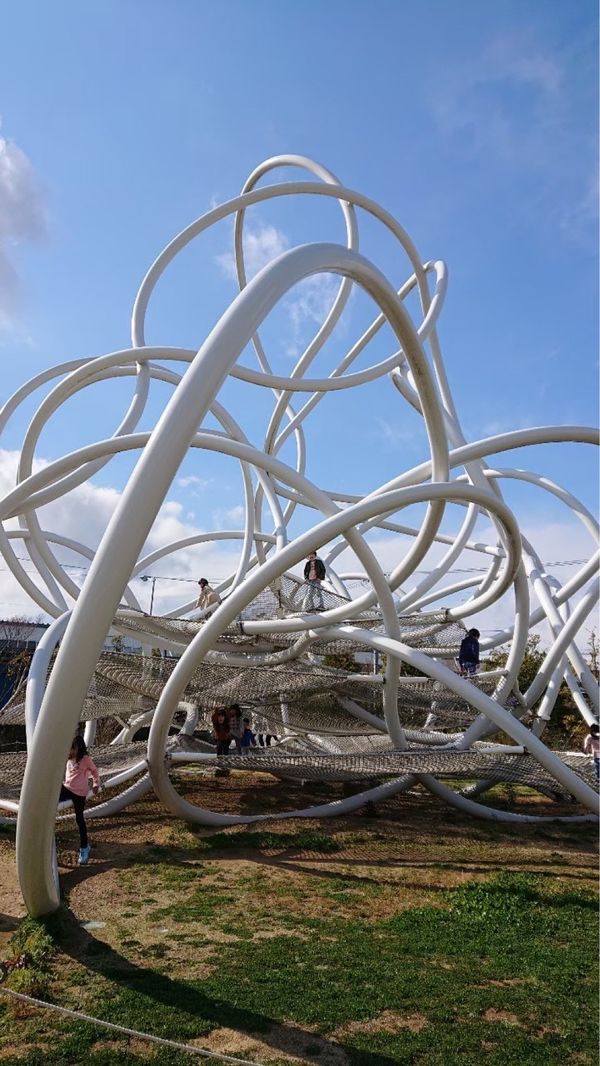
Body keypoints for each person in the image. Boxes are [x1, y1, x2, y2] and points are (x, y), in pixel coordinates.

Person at [59, 735, 100, 865]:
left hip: (79, 793)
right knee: (53, 792)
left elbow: (94, 771)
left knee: (79, 819)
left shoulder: (86, 759)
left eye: (72, 748)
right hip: (67, 788)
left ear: (78, 748)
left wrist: (95, 784)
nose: (70, 751)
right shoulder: (68, 759)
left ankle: (84, 847)